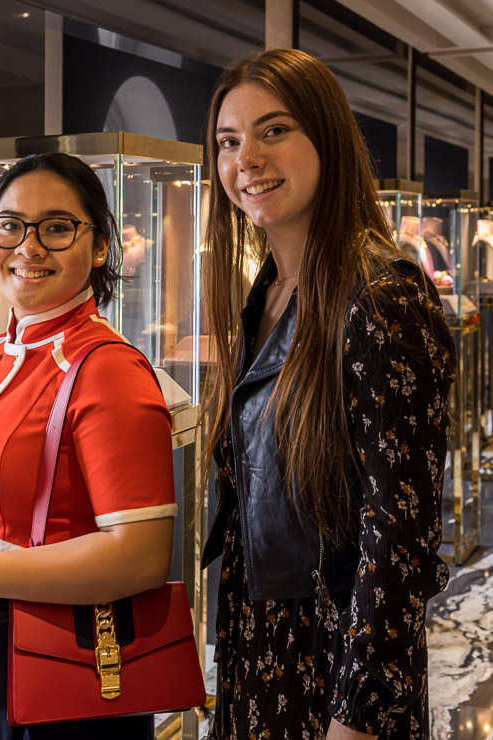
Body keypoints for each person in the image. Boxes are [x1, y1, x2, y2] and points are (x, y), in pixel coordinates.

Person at [200, 48, 456, 739]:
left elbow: (398, 532)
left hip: (334, 659)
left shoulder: (380, 296)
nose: (244, 158)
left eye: (272, 130)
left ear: (327, 140)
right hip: (263, 639)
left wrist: (358, 714)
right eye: (228, 141)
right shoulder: (268, 291)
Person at [0, 152, 178, 738]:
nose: (28, 247)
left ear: (100, 246)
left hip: (62, 663)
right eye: (9, 225)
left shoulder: (108, 369)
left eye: (56, 227)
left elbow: (142, 554)